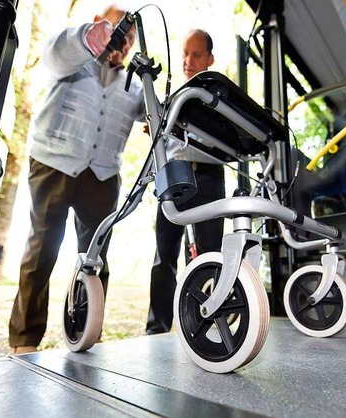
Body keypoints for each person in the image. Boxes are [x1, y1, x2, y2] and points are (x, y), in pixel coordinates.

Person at [8, 5, 145, 354]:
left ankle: (85, 333)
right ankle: (25, 341)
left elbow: (154, 113)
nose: (123, 41)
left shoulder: (133, 83)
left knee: (96, 259)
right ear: (100, 25)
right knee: (41, 251)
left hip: (102, 175)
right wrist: (90, 38)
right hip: (53, 163)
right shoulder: (74, 57)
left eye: (129, 37)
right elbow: (55, 52)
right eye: (118, 31)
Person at [146, 29, 225, 335]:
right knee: (164, 255)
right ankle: (157, 328)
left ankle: (206, 324)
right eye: (185, 53)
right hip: (174, 175)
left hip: (209, 177)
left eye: (196, 54)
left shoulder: (219, 100)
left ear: (210, 59)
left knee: (209, 254)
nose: (188, 60)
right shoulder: (168, 101)